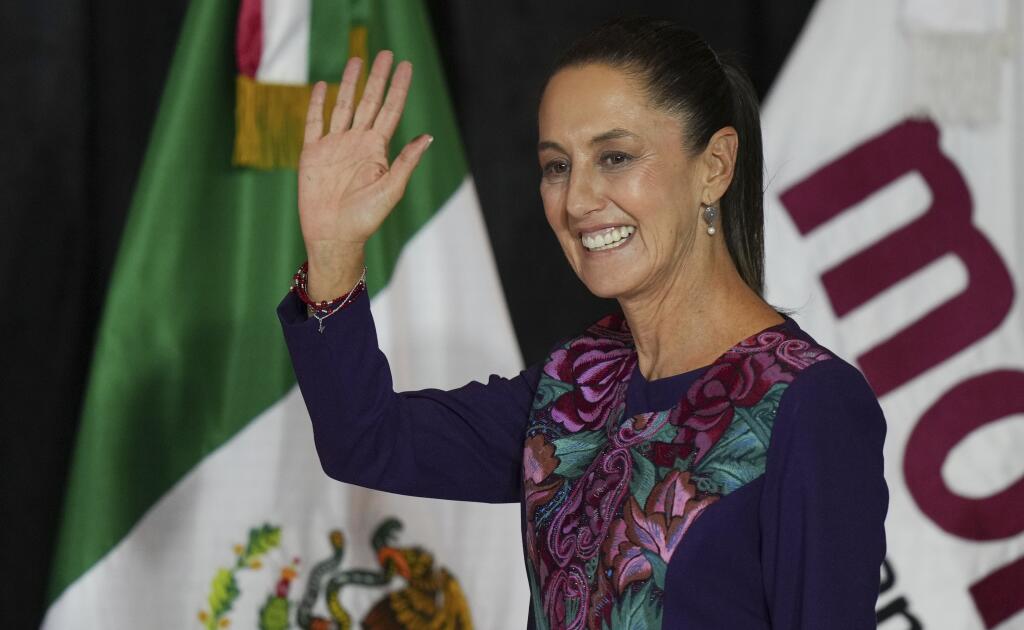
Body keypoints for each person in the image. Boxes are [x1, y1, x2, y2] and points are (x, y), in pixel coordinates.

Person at [278, 17, 887, 630]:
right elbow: (367, 442)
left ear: (716, 166)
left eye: (615, 157)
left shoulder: (811, 405)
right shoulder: (575, 382)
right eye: (556, 166)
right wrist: (334, 255)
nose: (576, 201)